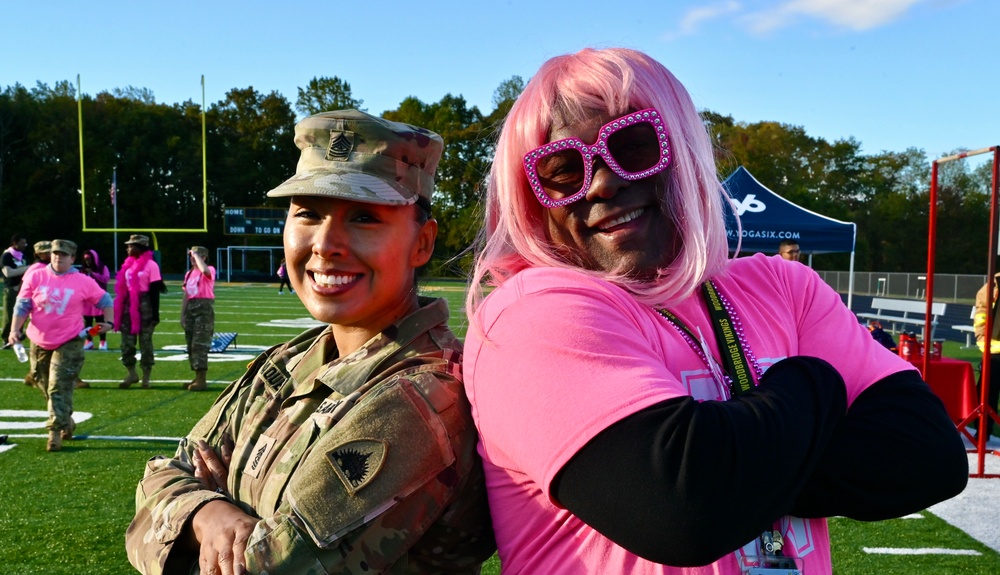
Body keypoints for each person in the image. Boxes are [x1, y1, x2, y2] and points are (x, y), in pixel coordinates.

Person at [463, 47, 968, 574]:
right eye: (561, 170)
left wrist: (736, 467)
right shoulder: (531, 316)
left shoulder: (784, 285)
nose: (603, 181)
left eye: (633, 145)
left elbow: (927, 455)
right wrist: (813, 382)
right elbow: (682, 509)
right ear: (531, 195)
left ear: (684, 147)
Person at [125, 109, 495, 574]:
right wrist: (209, 513)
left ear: (422, 243)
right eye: (307, 213)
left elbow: (265, 567)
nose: (325, 243)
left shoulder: (425, 397)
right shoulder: (293, 359)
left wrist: (195, 509)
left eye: (364, 217)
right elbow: (158, 478)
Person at [8, 240, 113, 452]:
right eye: (55, 253)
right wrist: (14, 330)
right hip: (38, 339)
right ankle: (66, 419)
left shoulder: (81, 280)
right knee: (42, 382)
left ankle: (54, 433)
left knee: (58, 385)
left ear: (72, 258)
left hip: (70, 340)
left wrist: (108, 323)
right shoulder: (36, 276)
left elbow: (104, 299)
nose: (58, 257)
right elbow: (23, 305)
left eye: (63, 254)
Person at [114, 234, 165, 389]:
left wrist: (155, 315)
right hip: (129, 305)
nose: (128, 248)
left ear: (140, 247)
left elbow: (155, 291)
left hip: (145, 306)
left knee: (145, 343)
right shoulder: (127, 265)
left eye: (131, 245)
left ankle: (146, 376)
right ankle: (131, 373)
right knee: (126, 343)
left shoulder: (151, 265)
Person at [180, 246, 215, 391]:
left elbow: (205, 271)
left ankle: (202, 379)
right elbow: (186, 295)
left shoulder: (209, 269)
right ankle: (196, 375)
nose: (192, 258)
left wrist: (196, 255)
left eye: (195, 256)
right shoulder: (189, 274)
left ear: (203, 258)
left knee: (199, 344)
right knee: (190, 344)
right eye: (191, 256)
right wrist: (182, 314)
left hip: (203, 309)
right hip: (191, 308)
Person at [972, 272, 1000, 440]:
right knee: (986, 392)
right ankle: (983, 432)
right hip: (995, 351)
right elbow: (981, 313)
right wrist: (983, 340)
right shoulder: (993, 286)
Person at [22, 241, 51, 389]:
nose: (50, 254)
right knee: (41, 346)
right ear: (39, 254)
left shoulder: (43, 267)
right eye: (47, 252)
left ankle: (32, 375)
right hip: (42, 312)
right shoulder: (37, 269)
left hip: (48, 312)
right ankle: (34, 375)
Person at [80, 248, 111, 351]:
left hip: (98, 298)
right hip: (87, 300)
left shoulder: (102, 268)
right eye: (85, 259)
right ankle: (89, 340)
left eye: (89, 259)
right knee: (87, 322)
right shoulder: (83, 270)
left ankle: (103, 341)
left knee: (99, 322)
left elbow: (106, 279)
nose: (87, 261)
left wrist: (93, 273)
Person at [2, 233, 29, 346]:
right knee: (9, 316)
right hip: (11, 290)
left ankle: (17, 339)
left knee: (21, 315)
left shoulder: (23, 256)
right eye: (23, 242)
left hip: (22, 290)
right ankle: (6, 339)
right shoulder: (7, 256)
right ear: (15, 243)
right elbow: (8, 273)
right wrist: (27, 268)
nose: (25, 245)